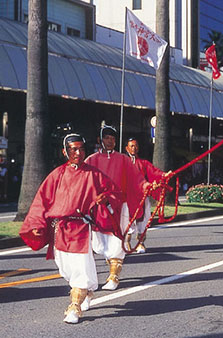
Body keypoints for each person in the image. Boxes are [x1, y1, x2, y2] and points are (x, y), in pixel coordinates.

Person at [19, 133, 122, 324]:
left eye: (81, 148)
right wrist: (35, 224)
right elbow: (42, 202)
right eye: (73, 149)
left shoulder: (94, 174)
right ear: (64, 151)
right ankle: (87, 290)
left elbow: (115, 192)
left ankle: (74, 306)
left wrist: (106, 199)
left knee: (80, 268)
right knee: (66, 269)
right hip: (60, 230)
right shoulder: (57, 175)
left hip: (81, 228)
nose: (78, 152)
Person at [84, 125, 153, 290]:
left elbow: (137, 180)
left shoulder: (123, 159)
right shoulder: (91, 160)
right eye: (107, 138)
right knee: (99, 244)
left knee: (117, 240)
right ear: (100, 140)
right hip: (98, 208)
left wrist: (147, 185)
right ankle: (110, 268)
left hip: (119, 207)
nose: (110, 141)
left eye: (113, 138)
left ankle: (114, 276)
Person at [125, 137, 170, 253]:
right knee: (127, 222)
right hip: (127, 198)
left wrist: (165, 175)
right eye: (132, 146)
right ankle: (126, 244)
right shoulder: (122, 163)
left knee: (143, 222)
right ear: (127, 148)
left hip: (142, 197)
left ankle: (140, 243)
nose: (134, 148)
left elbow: (154, 171)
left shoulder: (143, 163)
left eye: (136, 146)